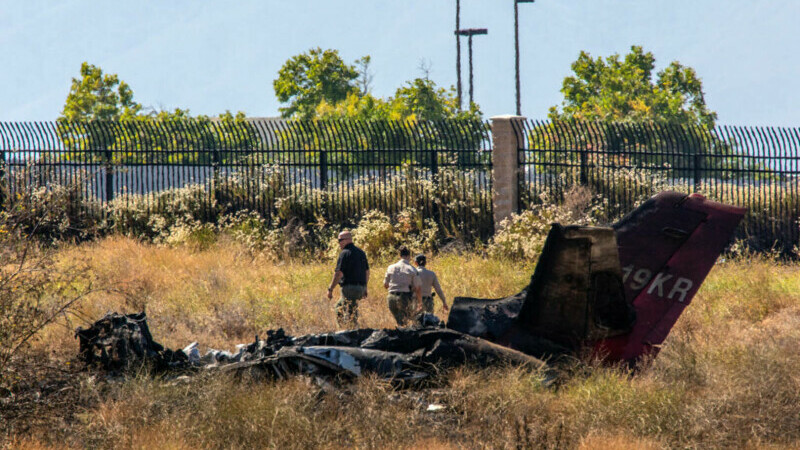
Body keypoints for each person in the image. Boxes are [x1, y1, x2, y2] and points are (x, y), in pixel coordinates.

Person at [327, 230, 369, 328]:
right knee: (340, 307)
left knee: (350, 313)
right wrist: (365, 287)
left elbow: (338, 273)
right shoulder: (361, 253)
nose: (339, 243)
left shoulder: (344, 253)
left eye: (340, 240)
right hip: (360, 288)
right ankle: (346, 329)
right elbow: (367, 271)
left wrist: (330, 289)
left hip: (349, 289)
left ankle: (349, 331)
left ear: (347, 240)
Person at [383, 246, 422, 326]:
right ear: (409, 256)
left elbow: (385, 285)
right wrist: (420, 302)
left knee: (399, 321)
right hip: (404, 298)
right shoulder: (412, 269)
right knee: (405, 322)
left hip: (391, 298)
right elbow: (418, 288)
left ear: (399, 256)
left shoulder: (390, 267)